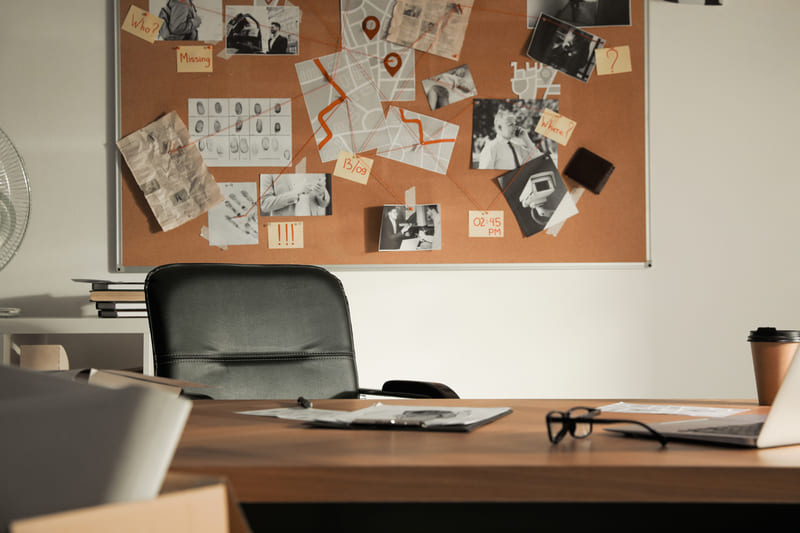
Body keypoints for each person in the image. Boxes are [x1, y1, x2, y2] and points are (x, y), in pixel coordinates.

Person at [260, 174, 329, 217]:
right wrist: (296, 193)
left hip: (312, 226)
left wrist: (321, 194)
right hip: (286, 228)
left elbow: (324, 203)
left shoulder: (312, 160)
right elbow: (265, 204)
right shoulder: (269, 165)